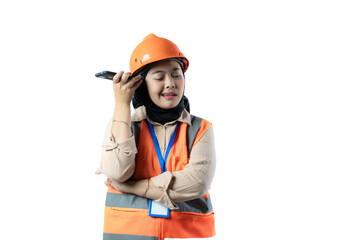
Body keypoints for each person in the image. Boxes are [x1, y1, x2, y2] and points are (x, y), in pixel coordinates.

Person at [96, 33, 216, 240]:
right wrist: (122, 104)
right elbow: (118, 172)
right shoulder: (123, 123)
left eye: (176, 74)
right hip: (128, 234)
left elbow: (197, 183)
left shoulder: (200, 128)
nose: (170, 83)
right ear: (140, 84)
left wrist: (133, 187)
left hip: (186, 234)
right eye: (159, 77)